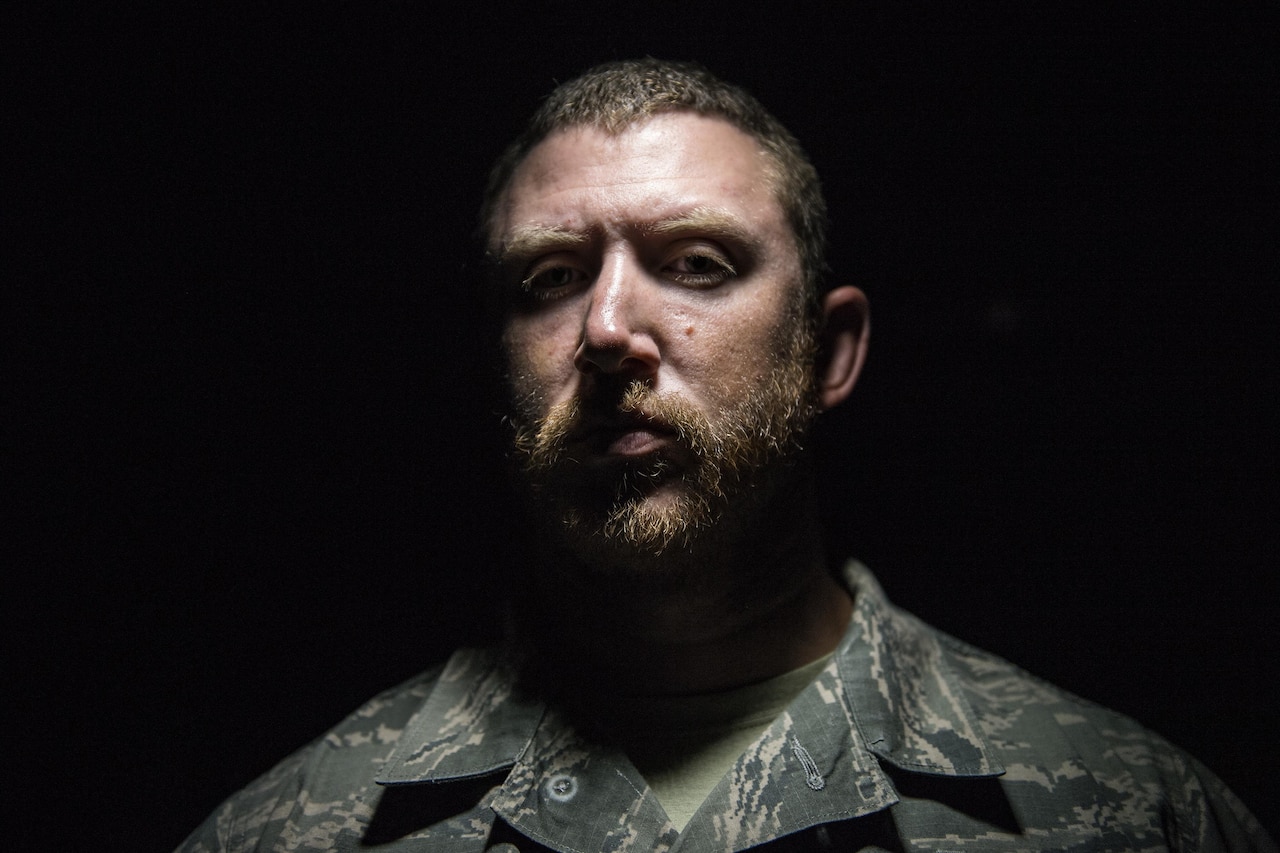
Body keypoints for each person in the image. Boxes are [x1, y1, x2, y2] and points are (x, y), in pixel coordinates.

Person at [178, 59, 1274, 852]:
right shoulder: (297, 829)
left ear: (828, 352)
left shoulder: (1128, 815)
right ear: (491, 358)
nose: (607, 328)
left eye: (696, 262)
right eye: (548, 278)